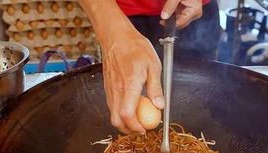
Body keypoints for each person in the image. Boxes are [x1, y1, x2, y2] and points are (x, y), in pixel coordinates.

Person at [78, 0, 220, 134]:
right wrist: (108, 24)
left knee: (204, 112)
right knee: (131, 101)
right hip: (122, 19)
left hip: (192, 12)